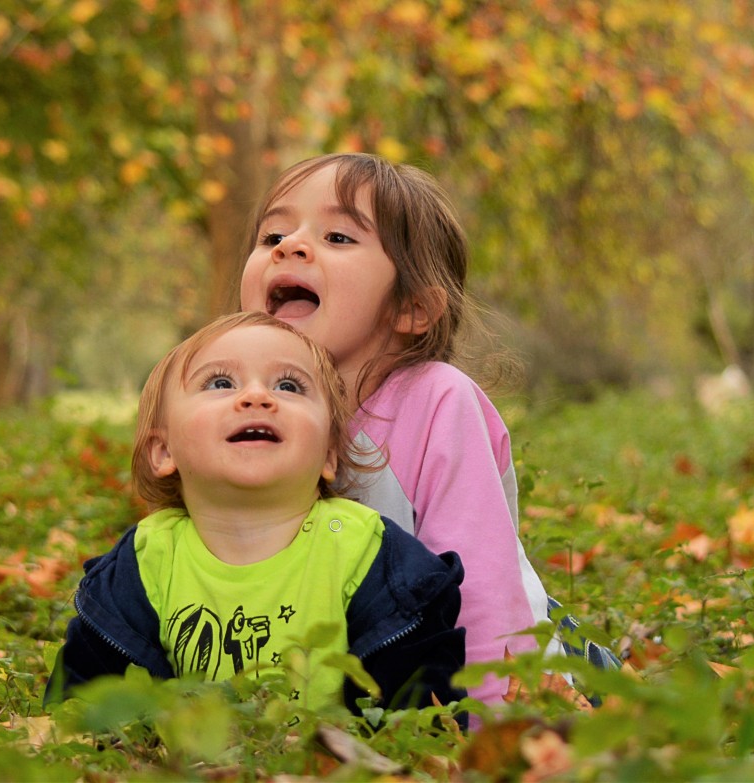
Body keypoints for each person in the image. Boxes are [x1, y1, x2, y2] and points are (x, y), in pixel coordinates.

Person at [239, 153, 618, 707]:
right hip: (360, 666)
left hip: (503, 661)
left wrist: (491, 733)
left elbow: (481, 589)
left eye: (339, 237)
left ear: (413, 307)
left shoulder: (436, 401)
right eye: (273, 231)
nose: (289, 245)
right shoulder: (239, 411)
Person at [48, 311, 467, 715]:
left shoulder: (366, 555)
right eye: (220, 382)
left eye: (289, 385)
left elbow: (421, 710)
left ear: (329, 455)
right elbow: (84, 703)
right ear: (165, 451)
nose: (256, 396)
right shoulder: (147, 560)